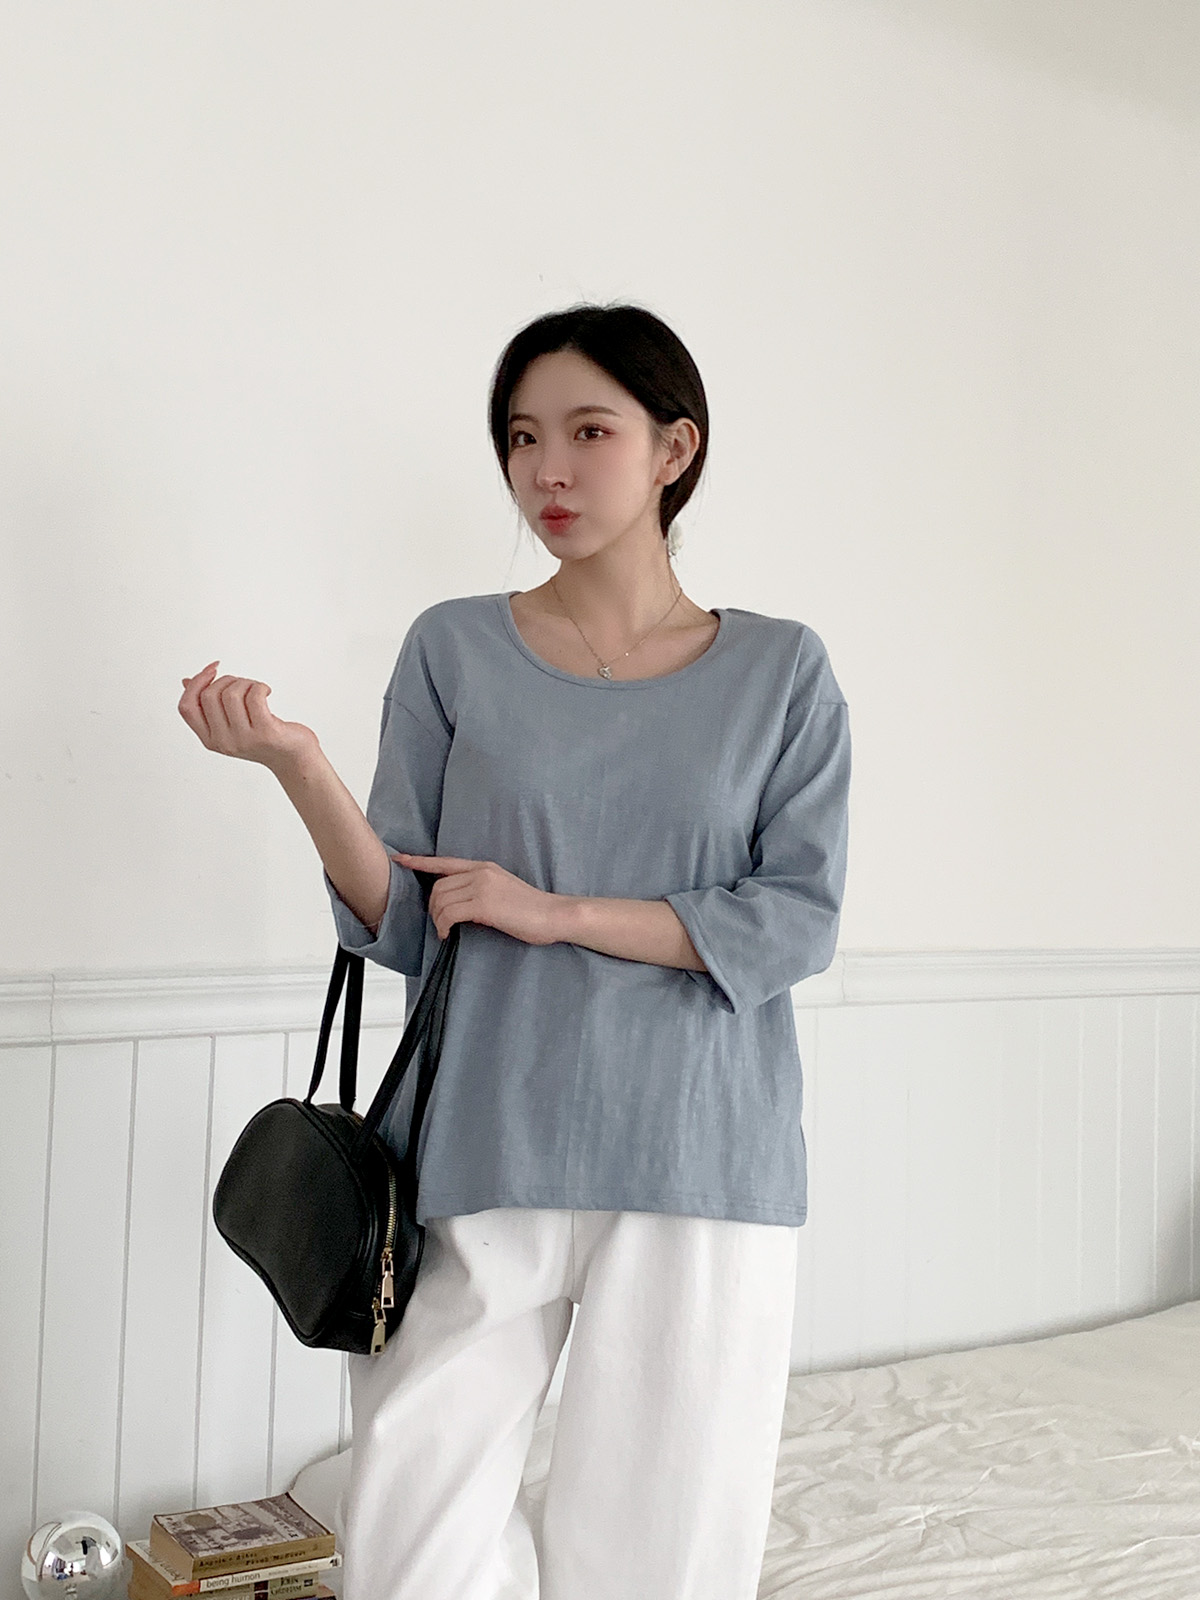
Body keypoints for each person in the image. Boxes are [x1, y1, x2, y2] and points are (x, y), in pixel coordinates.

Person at [177, 302, 851, 1600]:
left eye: (589, 432)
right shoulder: (454, 647)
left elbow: (796, 918)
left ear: (673, 449)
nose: (548, 468)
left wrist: (557, 912)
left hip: (699, 1156)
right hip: (481, 1135)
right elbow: (404, 917)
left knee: (654, 1561)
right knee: (410, 1554)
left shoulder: (781, 672)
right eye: (522, 437)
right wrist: (298, 766)